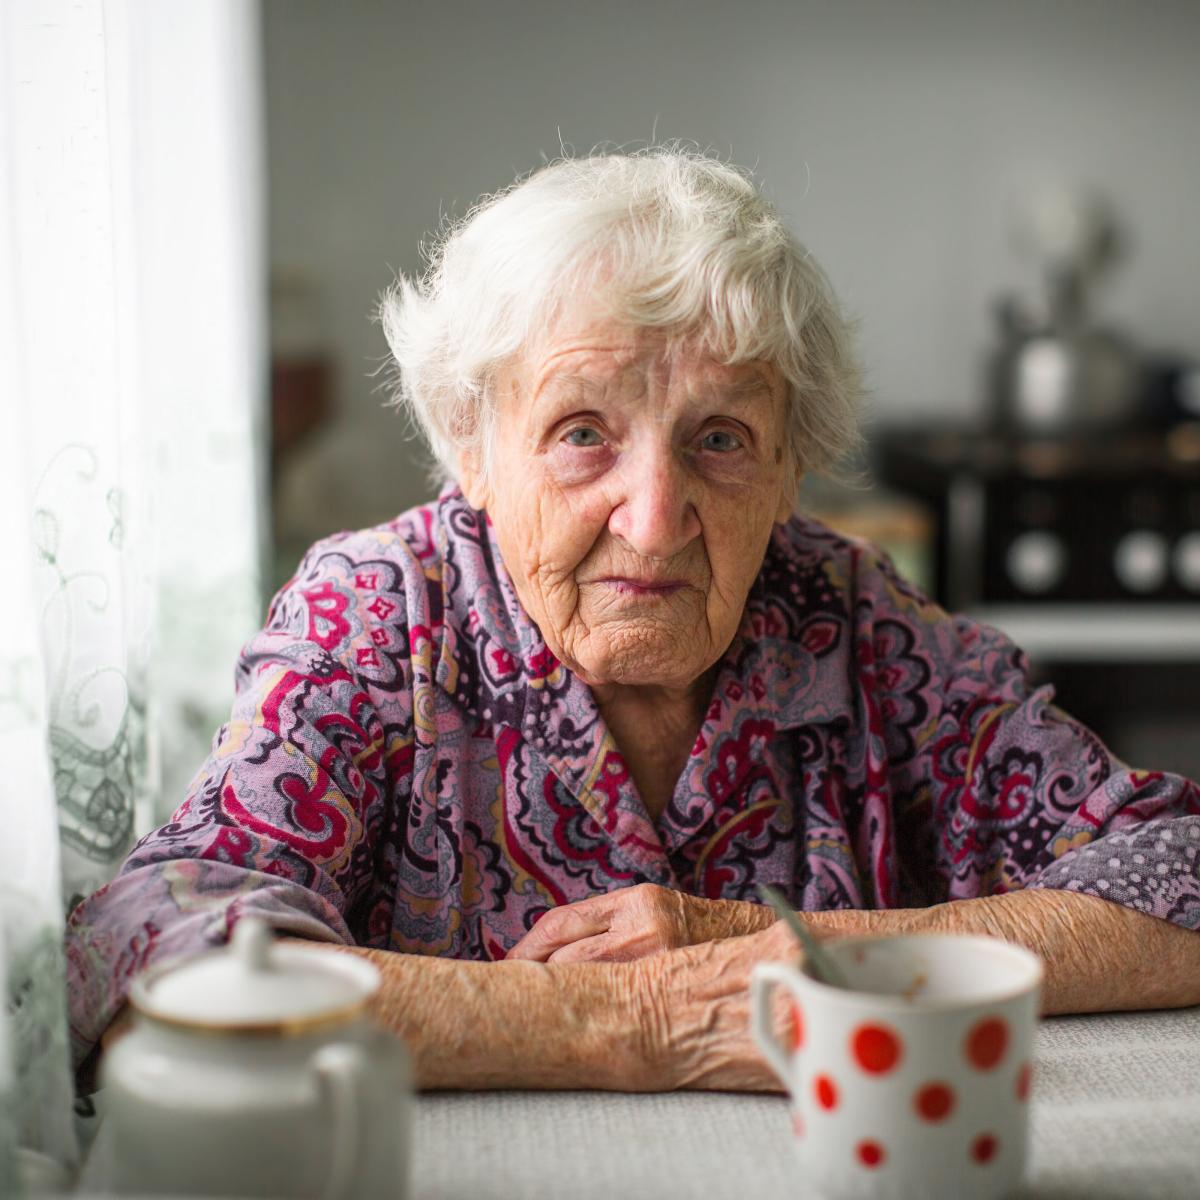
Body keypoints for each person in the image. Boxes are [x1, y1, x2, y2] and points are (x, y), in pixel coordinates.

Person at [67, 149, 1200, 1092]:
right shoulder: (381, 613)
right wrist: (623, 1021)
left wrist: (804, 955)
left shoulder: (855, 624)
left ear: (790, 466)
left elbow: (1182, 873)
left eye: (719, 438)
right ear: (474, 445)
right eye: (581, 432)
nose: (654, 523)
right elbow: (152, 954)